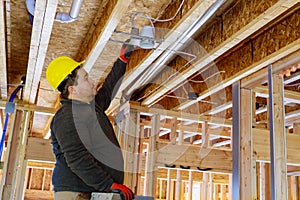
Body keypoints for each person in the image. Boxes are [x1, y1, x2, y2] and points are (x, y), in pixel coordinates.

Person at [46, 41, 135, 200]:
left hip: (91, 191)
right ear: (73, 90)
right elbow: (77, 159)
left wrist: (122, 60)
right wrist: (108, 185)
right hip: (77, 193)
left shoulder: (88, 109)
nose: (92, 81)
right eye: (86, 79)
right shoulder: (67, 116)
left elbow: (107, 90)